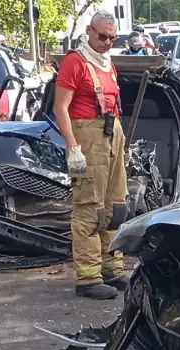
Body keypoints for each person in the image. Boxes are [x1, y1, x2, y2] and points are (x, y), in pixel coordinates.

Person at [53, 11, 128, 300]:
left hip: (112, 135)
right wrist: (72, 145)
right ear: (89, 31)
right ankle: (88, 277)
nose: (107, 42)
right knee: (89, 208)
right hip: (88, 137)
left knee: (115, 206)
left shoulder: (108, 64)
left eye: (112, 37)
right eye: (102, 36)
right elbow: (61, 108)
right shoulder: (75, 62)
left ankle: (112, 267)